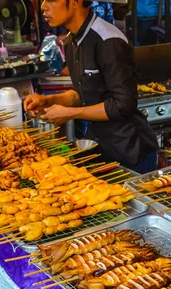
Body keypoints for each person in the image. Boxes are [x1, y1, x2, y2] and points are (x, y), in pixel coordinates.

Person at [24, 0, 159, 173]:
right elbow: (83, 93)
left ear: (74, 2)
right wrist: (49, 100)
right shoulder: (73, 40)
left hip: (131, 154)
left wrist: (71, 114)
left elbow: (123, 105)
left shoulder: (108, 41)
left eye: (51, 0)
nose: (43, 6)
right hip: (101, 150)